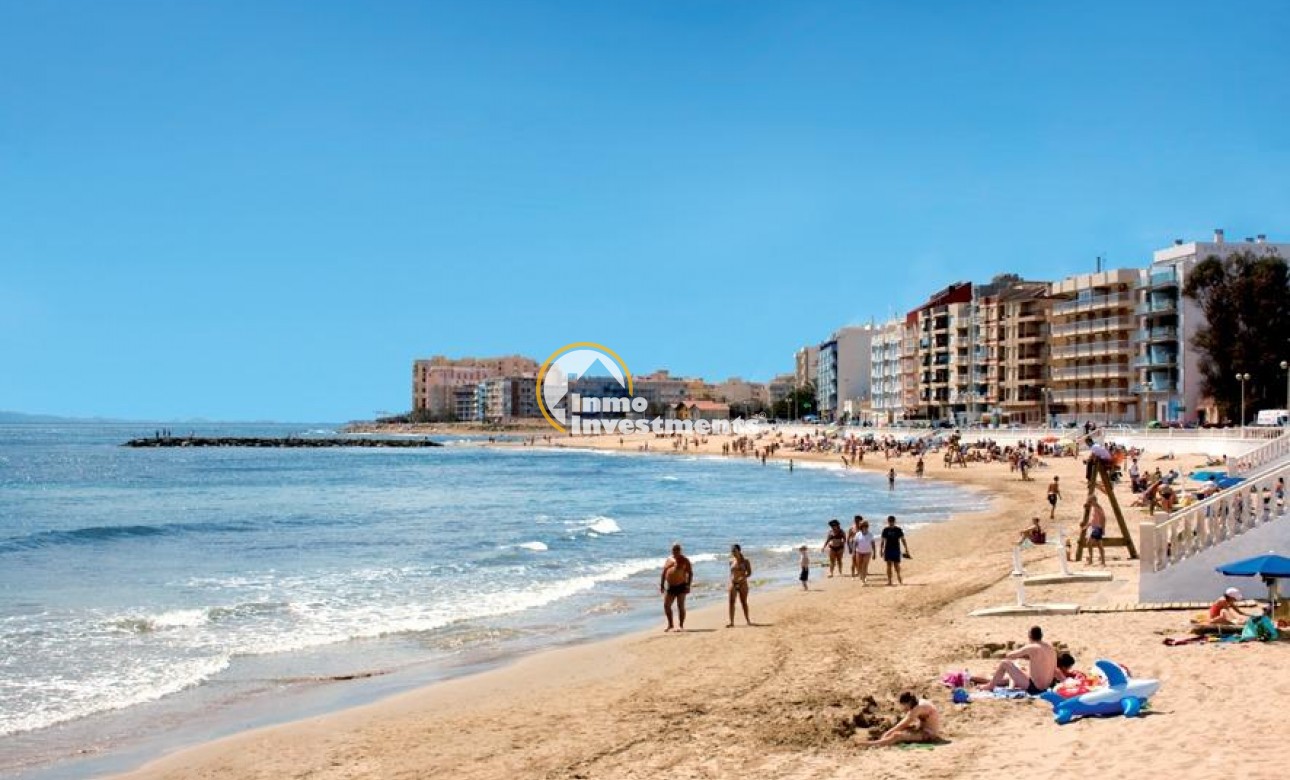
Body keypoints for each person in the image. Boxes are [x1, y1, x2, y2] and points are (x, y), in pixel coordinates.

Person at [983, 625, 1058, 694]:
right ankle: (1003, 685)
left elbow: (1010, 655)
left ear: (1030, 636)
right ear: (1041, 636)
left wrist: (1020, 654)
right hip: (1046, 687)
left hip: (1034, 688)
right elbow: (1053, 668)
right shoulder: (1051, 648)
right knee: (1020, 668)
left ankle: (989, 686)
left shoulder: (1032, 647)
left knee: (1004, 663)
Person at [854, 692, 941, 749]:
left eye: (904, 705)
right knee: (901, 732)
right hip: (924, 729)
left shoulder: (918, 708)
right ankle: (879, 741)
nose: (904, 708)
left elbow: (903, 724)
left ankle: (870, 744)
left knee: (897, 736)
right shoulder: (919, 703)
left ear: (909, 702)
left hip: (929, 734)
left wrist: (887, 733)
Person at [659, 543, 693, 632]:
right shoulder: (669, 559)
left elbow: (690, 573)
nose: (676, 551)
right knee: (666, 605)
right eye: (674, 549)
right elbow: (663, 573)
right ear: (672, 550)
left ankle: (681, 625)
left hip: (681, 586)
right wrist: (662, 585)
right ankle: (670, 624)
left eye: (677, 549)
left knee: (680, 606)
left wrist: (688, 585)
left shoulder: (685, 560)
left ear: (680, 550)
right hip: (670, 586)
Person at [726, 544, 752, 627]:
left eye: (734, 550)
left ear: (739, 551)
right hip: (733, 583)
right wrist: (731, 580)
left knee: (743, 602)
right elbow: (731, 573)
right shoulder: (731, 561)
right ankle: (731, 622)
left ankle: (748, 620)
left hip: (743, 583)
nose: (733, 552)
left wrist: (743, 577)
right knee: (731, 602)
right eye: (732, 551)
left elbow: (749, 573)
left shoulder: (745, 561)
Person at [879, 515, 908, 586]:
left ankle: (899, 576)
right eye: (889, 521)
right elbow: (882, 541)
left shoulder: (898, 529)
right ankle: (889, 581)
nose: (891, 523)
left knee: (896, 565)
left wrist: (906, 548)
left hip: (896, 549)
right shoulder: (885, 530)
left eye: (892, 521)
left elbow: (903, 539)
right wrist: (881, 550)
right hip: (888, 549)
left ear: (894, 522)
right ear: (888, 522)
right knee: (888, 565)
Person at [1081, 495, 1106, 566]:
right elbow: (1092, 520)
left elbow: (1103, 518)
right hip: (1094, 527)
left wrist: (1103, 528)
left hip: (1097, 528)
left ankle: (1091, 560)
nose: (1089, 503)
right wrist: (1086, 526)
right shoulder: (1093, 508)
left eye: (1090, 501)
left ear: (1094, 501)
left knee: (1089, 543)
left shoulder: (1098, 508)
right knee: (1099, 545)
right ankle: (1102, 562)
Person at [852, 518, 875, 584]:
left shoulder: (870, 534)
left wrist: (874, 553)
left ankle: (864, 580)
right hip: (859, 552)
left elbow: (873, 544)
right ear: (861, 527)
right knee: (859, 565)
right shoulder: (858, 534)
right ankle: (861, 575)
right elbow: (855, 544)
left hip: (868, 552)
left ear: (867, 527)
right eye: (863, 526)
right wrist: (853, 552)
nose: (865, 527)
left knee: (865, 565)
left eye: (866, 526)